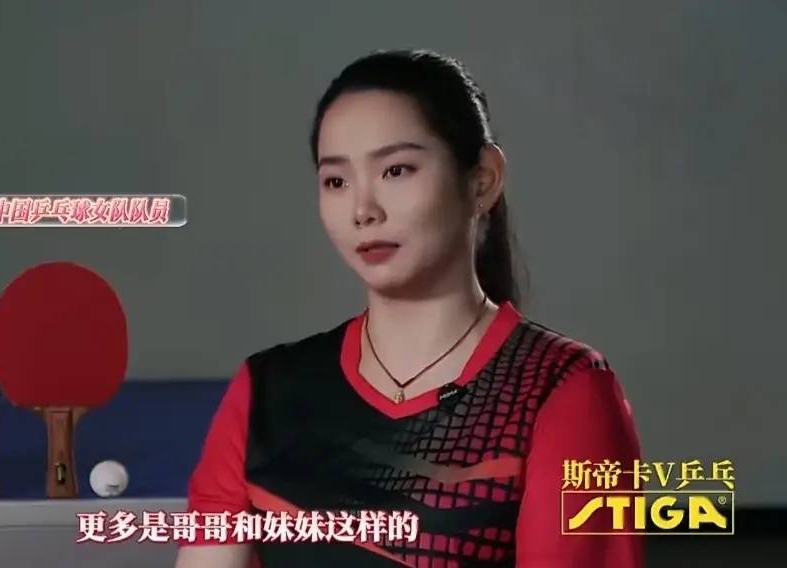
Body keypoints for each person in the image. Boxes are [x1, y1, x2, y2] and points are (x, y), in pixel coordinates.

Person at [174, 49, 642, 567]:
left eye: (396, 170)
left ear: (483, 179)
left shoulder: (561, 386)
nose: (363, 210)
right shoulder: (264, 392)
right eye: (336, 181)